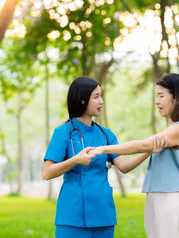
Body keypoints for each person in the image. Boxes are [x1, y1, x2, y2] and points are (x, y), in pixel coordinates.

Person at [43, 76, 164, 238]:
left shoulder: (106, 134)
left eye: (101, 96)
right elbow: (48, 172)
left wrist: (148, 151)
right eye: (96, 97)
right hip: (72, 215)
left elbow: (124, 165)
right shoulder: (63, 133)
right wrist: (75, 160)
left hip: (103, 214)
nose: (101, 101)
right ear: (82, 100)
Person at [89, 73, 179, 238]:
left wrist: (104, 149)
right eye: (156, 96)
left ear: (176, 98)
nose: (157, 101)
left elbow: (141, 145)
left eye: (161, 96)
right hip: (159, 195)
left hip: (173, 197)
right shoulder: (171, 130)